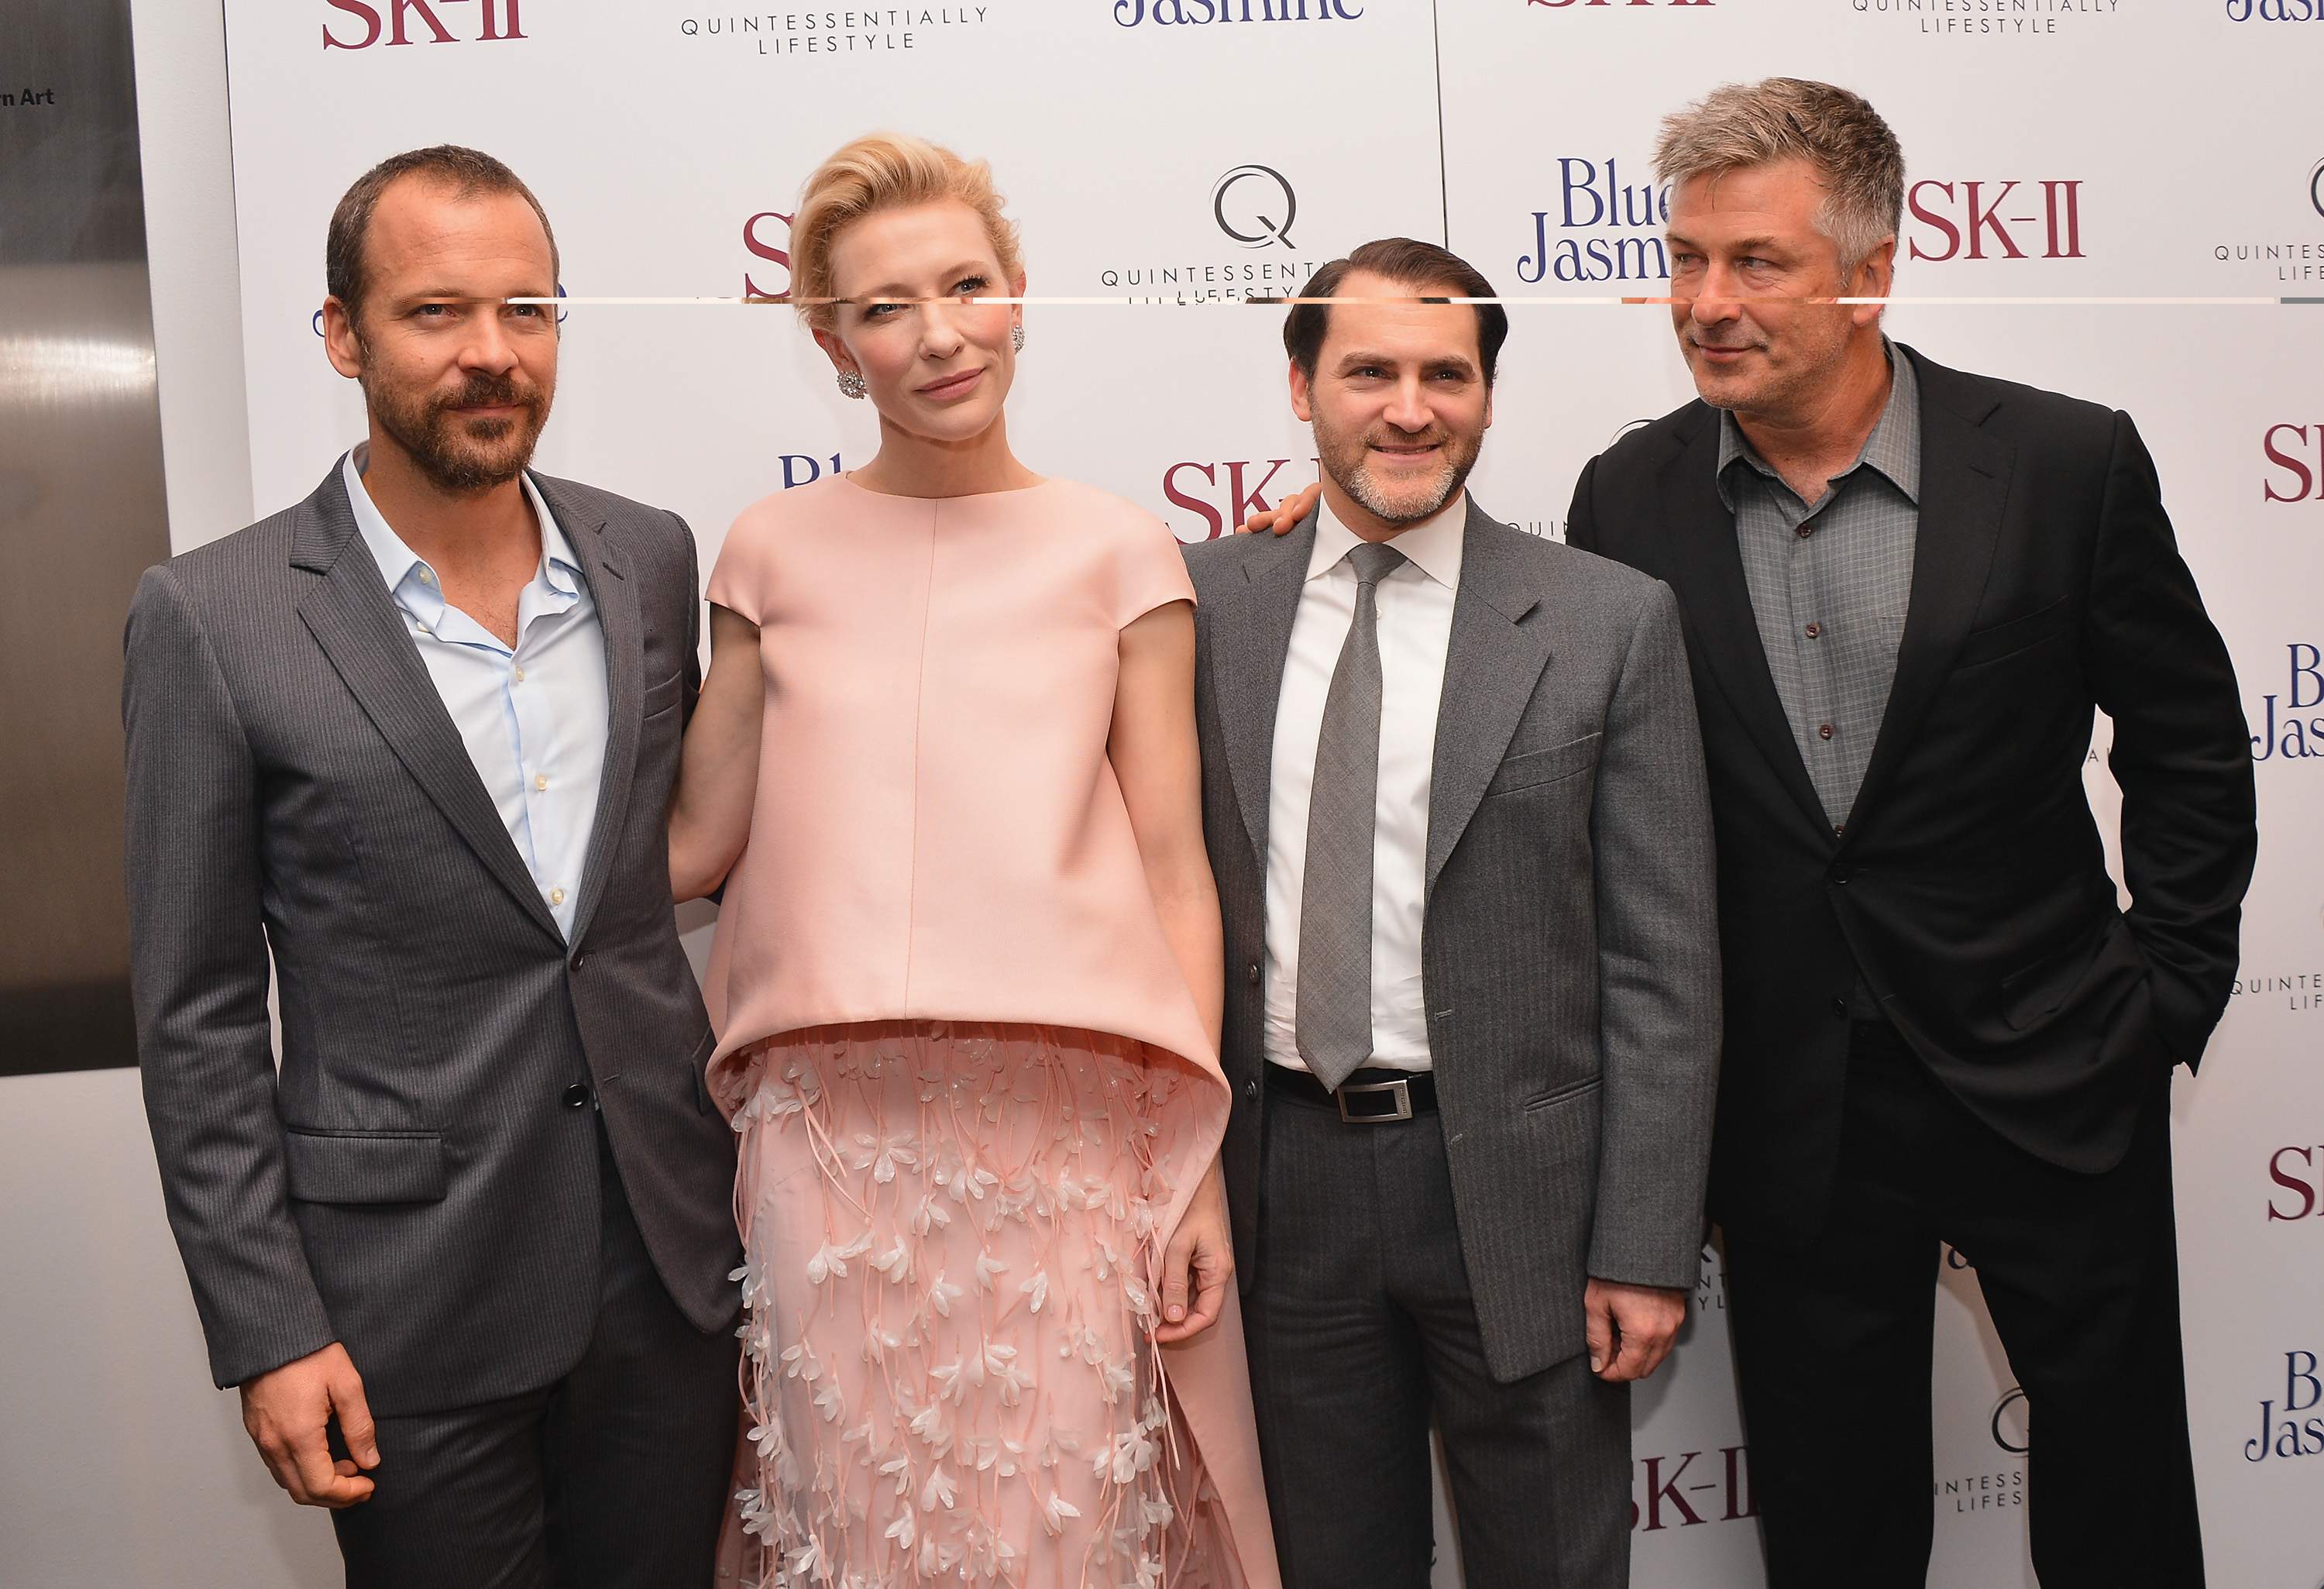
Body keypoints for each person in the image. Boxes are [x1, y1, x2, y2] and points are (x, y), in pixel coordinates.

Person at [1561, 81, 2251, 1587]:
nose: (1705, 302)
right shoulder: (1629, 498)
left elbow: (2191, 744)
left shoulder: (2064, 466)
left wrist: (2165, 997)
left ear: (1871, 270)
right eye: (1685, 260)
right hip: (1796, 1116)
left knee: (2124, 1497)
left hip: (2058, 1071)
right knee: (1836, 1525)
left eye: (1756, 263)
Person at [122, 146, 741, 1587]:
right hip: (406, 1300)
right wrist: (268, 1325)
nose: (490, 355)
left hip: (665, 1266)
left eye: (527, 313)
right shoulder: (213, 617)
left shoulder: (647, 560)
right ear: (341, 334)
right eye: (435, 313)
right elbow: (197, 1017)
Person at [669, 133, 1277, 1589]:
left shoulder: (1123, 553)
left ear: (1020, 296)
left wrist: (1191, 1170)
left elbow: (1175, 871)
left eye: (967, 286)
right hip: (832, 1140)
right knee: (859, 1525)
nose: (938, 334)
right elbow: (694, 846)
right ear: (833, 342)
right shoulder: (768, 552)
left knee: (1055, 1524)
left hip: (1068, 1139)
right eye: (887, 307)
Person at [1191, 238, 1721, 1587]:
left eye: (1447, 373)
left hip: (1524, 1193)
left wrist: (1646, 1243)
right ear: (1301, 384)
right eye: (1369, 370)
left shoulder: (1607, 621)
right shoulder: (1197, 609)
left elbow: (1663, 965)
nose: (1410, 408)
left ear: (1488, 396)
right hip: (1285, 1184)